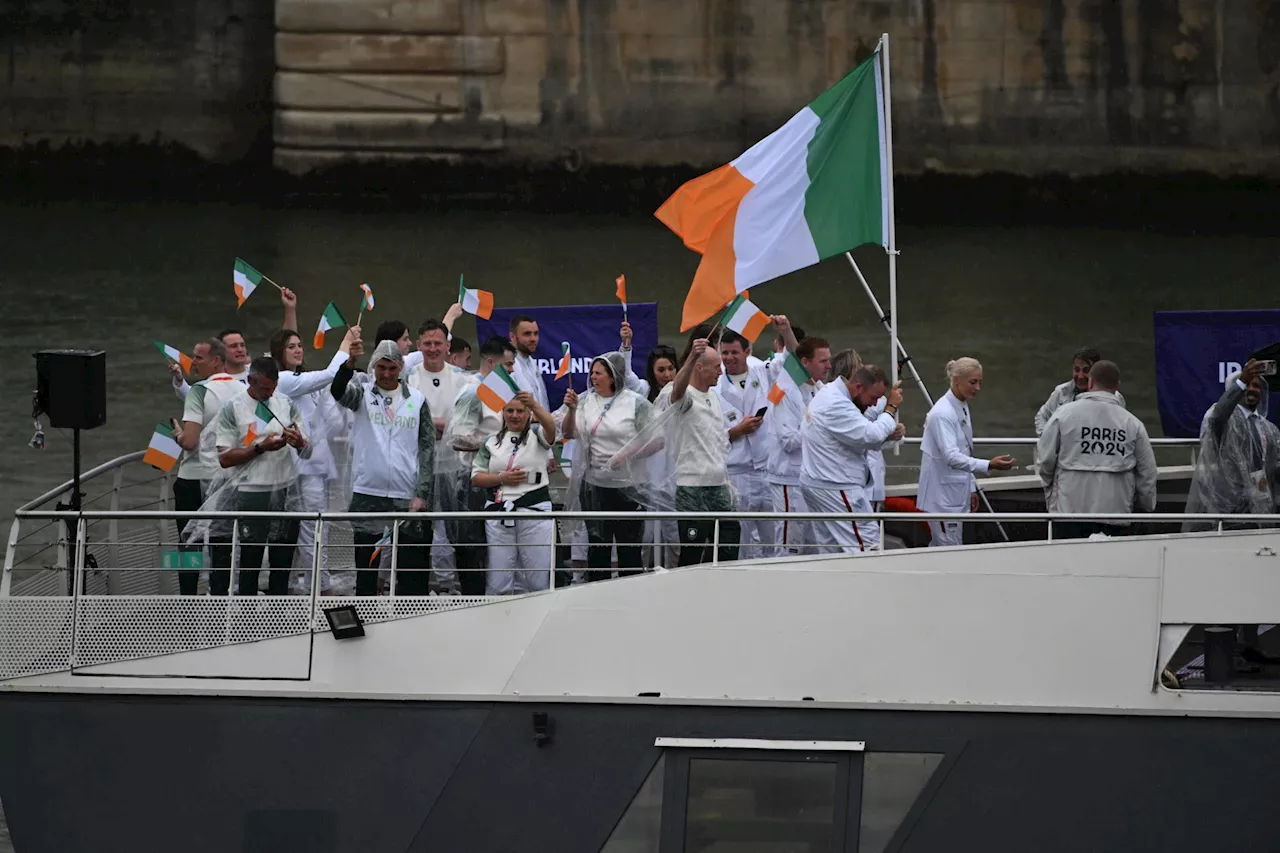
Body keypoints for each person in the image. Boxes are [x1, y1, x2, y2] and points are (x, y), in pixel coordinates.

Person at [330, 340, 434, 595]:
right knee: (367, 566)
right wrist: (350, 363)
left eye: (392, 368)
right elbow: (337, 390)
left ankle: (411, 620)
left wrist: (422, 493)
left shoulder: (417, 400)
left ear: (401, 367)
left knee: (411, 567)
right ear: (373, 366)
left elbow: (428, 450)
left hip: (405, 495)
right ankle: (367, 619)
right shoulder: (362, 395)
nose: (386, 374)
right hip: (368, 492)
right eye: (381, 367)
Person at [268, 325, 360, 593]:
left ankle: (311, 583)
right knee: (312, 530)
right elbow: (332, 375)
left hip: (318, 465)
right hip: (300, 468)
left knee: (318, 529)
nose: (298, 350)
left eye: (299, 345)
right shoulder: (284, 380)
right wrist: (346, 341)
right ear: (279, 352)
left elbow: (331, 411)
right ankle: (317, 588)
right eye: (291, 346)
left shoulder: (303, 380)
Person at [210, 357, 310, 596]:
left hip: (286, 490)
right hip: (251, 492)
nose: (270, 393)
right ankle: (248, 620)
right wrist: (260, 448)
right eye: (265, 388)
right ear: (250, 381)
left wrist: (299, 443)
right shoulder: (232, 408)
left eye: (273, 387)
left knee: (283, 561)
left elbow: (308, 451)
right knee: (250, 562)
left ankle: (278, 620)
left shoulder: (285, 402)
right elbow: (224, 458)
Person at [1036, 360, 1157, 538]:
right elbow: (1147, 474)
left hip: (1068, 511)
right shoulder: (1133, 424)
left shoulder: (1062, 416)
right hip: (1116, 514)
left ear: (1090, 382)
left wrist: (1050, 492)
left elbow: (1045, 460)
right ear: (1117, 386)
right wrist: (1146, 507)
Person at [561, 352, 654, 581]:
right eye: (591, 373)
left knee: (629, 548)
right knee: (598, 547)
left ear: (612, 376)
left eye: (598, 373)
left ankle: (630, 596)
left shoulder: (636, 402)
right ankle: (597, 594)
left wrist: (628, 455)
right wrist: (572, 410)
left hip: (629, 487)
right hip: (594, 485)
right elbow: (567, 432)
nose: (593, 377)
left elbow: (657, 439)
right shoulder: (585, 401)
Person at [801, 364, 905, 553]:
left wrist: (889, 436)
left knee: (831, 549)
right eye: (873, 398)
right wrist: (890, 409)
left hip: (820, 482)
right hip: (836, 486)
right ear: (858, 387)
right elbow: (870, 435)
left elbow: (852, 438)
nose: (874, 404)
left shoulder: (831, 393)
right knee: (869, 544)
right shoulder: (836, 404)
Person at [715, 322, 797, 560]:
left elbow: (794, 358)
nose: (729, 358)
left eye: (734, 352)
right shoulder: (714, 382)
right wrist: (736, 431)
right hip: (735, 471)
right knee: (741, 538)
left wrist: (786, 331)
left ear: (747, 352)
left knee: (773, 534)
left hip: (766, 469)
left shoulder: (763, 371)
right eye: (725, 353)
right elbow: (708, 433)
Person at [918, 358, 1016, 547]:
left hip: (955, 493)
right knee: (949, 548)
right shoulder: (942, 414)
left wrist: (970, 487)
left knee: (946, 547)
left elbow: (965, 449)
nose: (978, 387)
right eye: (973, 382)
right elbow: (951, 456)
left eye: (980, 382)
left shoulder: (961, 404)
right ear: (956, 381)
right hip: (943, 501)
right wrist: (988, 465)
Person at [406, 317, 473, 592]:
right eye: (427, 343)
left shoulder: (462, 381)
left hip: (454, 466)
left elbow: (464, 425)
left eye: (438, 343)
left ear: (448, 346)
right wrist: (444, 425)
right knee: (417, 535)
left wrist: (429, 423)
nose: (432, 348)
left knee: (461, 533)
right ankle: (416, 594)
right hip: (418, 468)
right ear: (419, 345)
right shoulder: (408, 379)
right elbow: (408, 420)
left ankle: (468, 592)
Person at [448, 336, 518, 594]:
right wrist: (497, 448)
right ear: (491, 363)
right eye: (508, 365)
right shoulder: (472, 392)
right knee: (473, 546)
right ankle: (473, 600)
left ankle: (499, 596)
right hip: (472, 481)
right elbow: (457, 439)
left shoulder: (502, 393)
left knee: (497, 546)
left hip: (498, 482)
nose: (512, 370)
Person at [171, 338, 241, 594]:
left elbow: (189, 442)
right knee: (222, 544)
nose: (193, 362)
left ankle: (188, 601)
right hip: (228, 480)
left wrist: (177, 434)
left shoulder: (199, 392)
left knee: (187, 543)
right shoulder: (242, 390)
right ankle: (221, 602)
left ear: (216, 361)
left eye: (198, 357)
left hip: (193, 478)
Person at [472, 392, 557, 595]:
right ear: (503, 412)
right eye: (510, 410)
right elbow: (476, 477)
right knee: (498, 578)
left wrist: (535, 404)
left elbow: (552, 428)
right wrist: (501, 479)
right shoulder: (490, 442)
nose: (515, 415)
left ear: (528, 413)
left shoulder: (538, 435)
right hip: (499, 513)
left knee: (537, 578)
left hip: (534, 512)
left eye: (520, 411)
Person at [1186, 357, 1280, 526]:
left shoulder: (1270, 429)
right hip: (1230, 510)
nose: (1251, 389)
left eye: (1256, 386)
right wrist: (1242, 380)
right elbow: (1219, 415)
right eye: (1247, 385)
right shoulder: (1223, 419)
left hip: (1263, 510)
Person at [668, 337, 738, 565]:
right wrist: (689, 359)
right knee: (692, 553)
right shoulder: (686, 397)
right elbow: (676, 393)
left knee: (728, 550)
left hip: (719, 486)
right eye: (717, 366)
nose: (722, 371)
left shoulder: (714, 396)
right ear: (699, 367)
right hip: (692, 489)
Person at [767, 337, 830, 554]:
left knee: (815, 546)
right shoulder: (782, 391)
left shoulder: (822, 390)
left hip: (813, 479)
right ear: (805, 362)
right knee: (789, 547)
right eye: (823, 361)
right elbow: (788, 441)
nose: (829, 366)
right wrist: (819, 429)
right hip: (788, 479)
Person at [1035, 347, 1126, 436]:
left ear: (1095, 371)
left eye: (1086, 370)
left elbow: (1121, 428)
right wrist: (1047, 439)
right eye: (1077, 370)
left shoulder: (1114, 398)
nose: (1080, 376)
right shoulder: (1061, 392)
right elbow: (1042, 416)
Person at [172, 328, 251, 399]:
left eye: (242, 345)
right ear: (222, 350)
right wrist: (179, 379)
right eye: (233, 346)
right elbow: (192, 396)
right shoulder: (215, 382)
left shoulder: (259, 371)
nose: (240, 350)